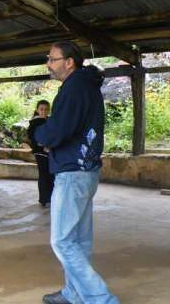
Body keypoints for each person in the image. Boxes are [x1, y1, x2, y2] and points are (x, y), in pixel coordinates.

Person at [34, 41, 119, 304]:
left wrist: (39, 134)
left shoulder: (74, 88)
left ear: (69, 61)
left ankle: (102, 299)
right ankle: (73, 293)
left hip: (72, 173)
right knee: (78, 241)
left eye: (52, 59)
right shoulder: (87, 86)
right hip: (87, 171)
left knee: (62, 242)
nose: (48, 64)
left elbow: (58, 130)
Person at [28, 100, 54, 207]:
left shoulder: (48, 120)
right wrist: (43, 146)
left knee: (50, 175)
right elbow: (32, 138)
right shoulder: (35, 122)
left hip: (49, 152)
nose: (44, 111)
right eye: (41, 109)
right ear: (37, 110)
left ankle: (49, 198)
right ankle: (44, 199)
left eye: (46, 109)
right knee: (44, 175)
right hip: (40, 152)